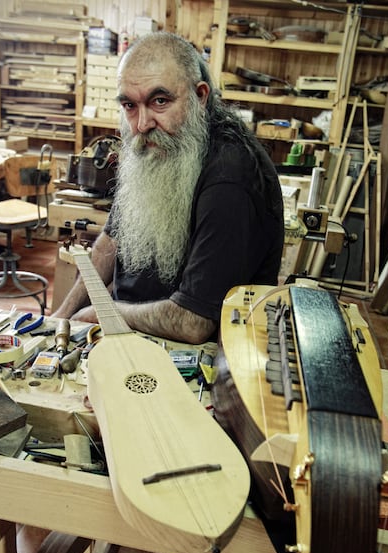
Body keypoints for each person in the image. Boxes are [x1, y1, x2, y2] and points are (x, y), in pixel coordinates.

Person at [53, 32, 284, 344]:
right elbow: (110, 242)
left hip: (192, 355)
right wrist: (59, 317)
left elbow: (193, 323)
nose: (142, 123)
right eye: (129, 105)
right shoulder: (159, 147)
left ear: (200, 96)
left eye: (159, 101)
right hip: (131, 329)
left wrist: (100, 313)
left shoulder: (231, 179)